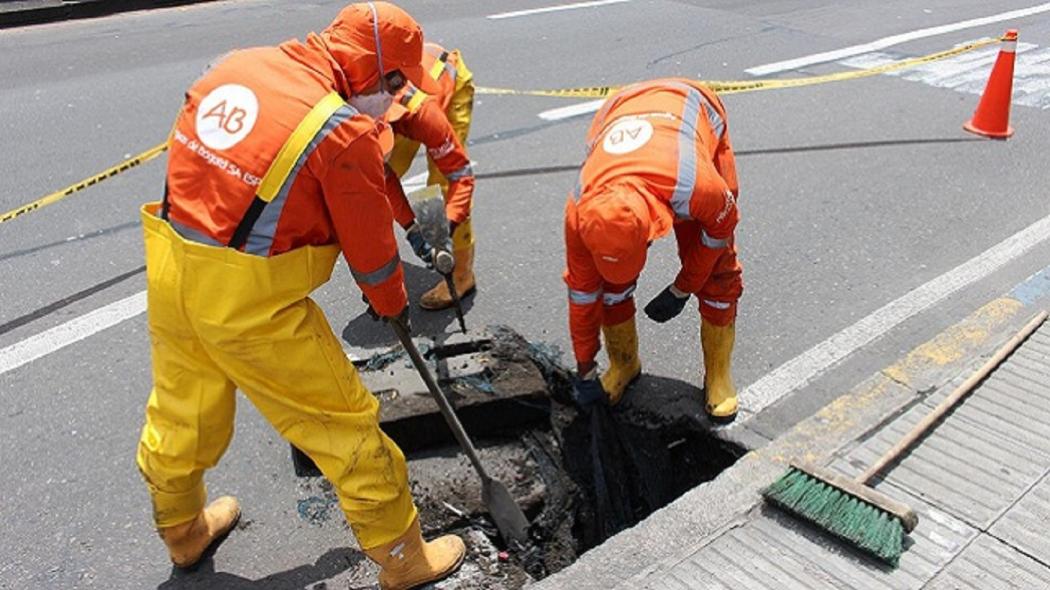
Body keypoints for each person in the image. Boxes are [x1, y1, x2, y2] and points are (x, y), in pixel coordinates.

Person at [136, 4, 464, 588]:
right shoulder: (340, 133)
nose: (391, 98)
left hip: (171, 267)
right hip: (250, 303)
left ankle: (182, 533)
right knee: (344, 425)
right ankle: (403, 559)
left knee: (182, 412)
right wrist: (391, 306)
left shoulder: (238, 66)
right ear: (372, 66)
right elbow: (373, 257)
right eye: (391, 83)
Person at [563, 78, 742, 423]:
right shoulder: (581, 214)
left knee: (718, 272)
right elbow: (583, 296)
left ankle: (718, 376)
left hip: (693, 108)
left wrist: (683, 288)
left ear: (651, 230)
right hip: (621, 108)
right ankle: (624, 364)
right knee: (609, 288)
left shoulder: (697, 187)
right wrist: (585, 367)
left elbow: (720, 231)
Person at [383, 42, 477, 310]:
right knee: (369, 190)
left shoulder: (424, 116)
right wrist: (412, 228)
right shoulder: (354, 114)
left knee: (441, 187)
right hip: (393, 112)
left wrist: (446, 226)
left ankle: (461, 276)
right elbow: (380, 177)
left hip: (446, 81)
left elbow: (460, 176)